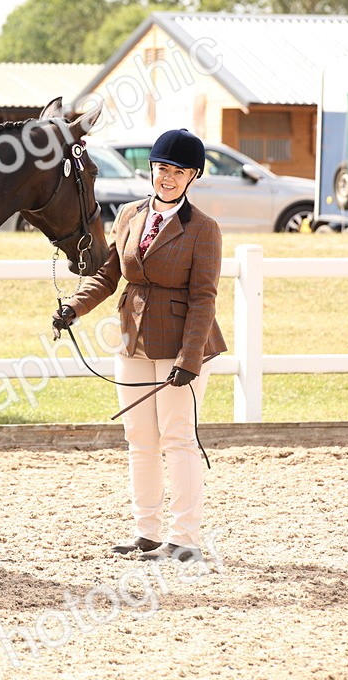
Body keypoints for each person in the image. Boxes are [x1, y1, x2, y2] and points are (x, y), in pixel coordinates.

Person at [52, 128, 227, 563]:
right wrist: (74, 307)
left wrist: (190, 358)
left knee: (178, 438)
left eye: (178, 171)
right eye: (162, 168)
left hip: (182, 344)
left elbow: (205, 297)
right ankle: (147, 531)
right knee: (140, 439)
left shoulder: (203, 229)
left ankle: (184, 537)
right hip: (133, 339)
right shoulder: (130, 214)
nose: (167, 177)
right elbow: (109, 274)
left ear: (193, 177)